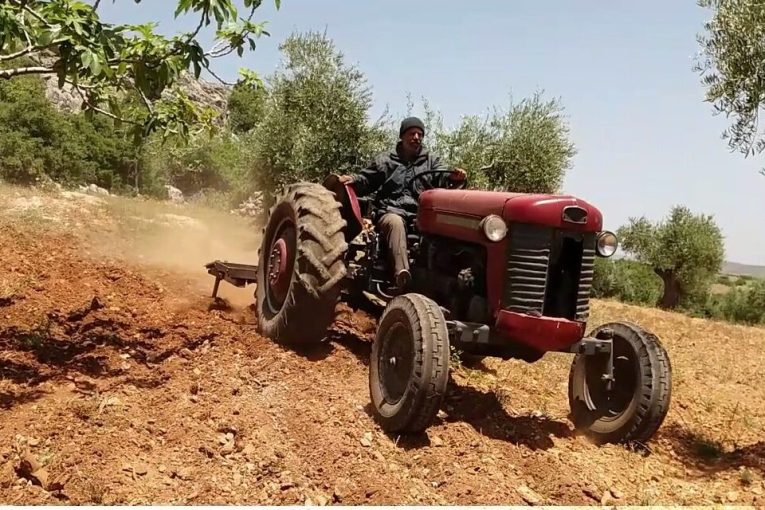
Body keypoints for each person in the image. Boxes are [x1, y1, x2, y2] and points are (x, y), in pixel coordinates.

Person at [339, 116, 467, 291]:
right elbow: (366, 180)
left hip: (418, 216)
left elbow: (443, 178)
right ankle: (403, 275)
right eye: (412, 133)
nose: (416, 137)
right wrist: (352, 180)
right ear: (402, 136)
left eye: (420, 134)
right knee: (396, 223)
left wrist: (455, 177)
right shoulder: (385, 161)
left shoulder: (431, 162)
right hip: (390, 212)